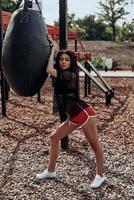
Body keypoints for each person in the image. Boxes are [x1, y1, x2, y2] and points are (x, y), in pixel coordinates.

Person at [36, 36, 106, 188]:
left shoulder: (70, 75)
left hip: (85, 115)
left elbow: (48, 69)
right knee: (54, 138)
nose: (63, 62)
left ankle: (100, 175)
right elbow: (55, 62)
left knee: (95, 145)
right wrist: (51, 43)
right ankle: (51, 170)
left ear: (71, 62)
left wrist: (54, 51)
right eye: (62, 59)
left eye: (67, 60)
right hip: (74, 117)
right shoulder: (61, 73)